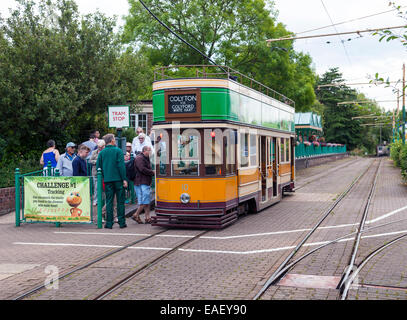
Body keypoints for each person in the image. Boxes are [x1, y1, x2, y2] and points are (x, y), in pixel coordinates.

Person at [96, 134, 128, 229]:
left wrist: (104, 176)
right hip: (118, 179)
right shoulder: (118, 151)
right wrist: (124, 179)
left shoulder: (101, 153)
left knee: (109, 201)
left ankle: (109, 223)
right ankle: (121, 222)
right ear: (112, 140)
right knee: (120, 202)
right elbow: (121, 166)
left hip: (107, 180)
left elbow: (98, 167)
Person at [131, 145, 154, 224]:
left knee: (145, 200)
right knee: (145, 199)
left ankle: (147, 217)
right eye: (149, 150)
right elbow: (142, 169)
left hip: (143, 181)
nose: (150, 152)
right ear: (144, 151)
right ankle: (136, 214)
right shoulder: (140, 158)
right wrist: (152, 172)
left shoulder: (145, 158)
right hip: (141, 181)